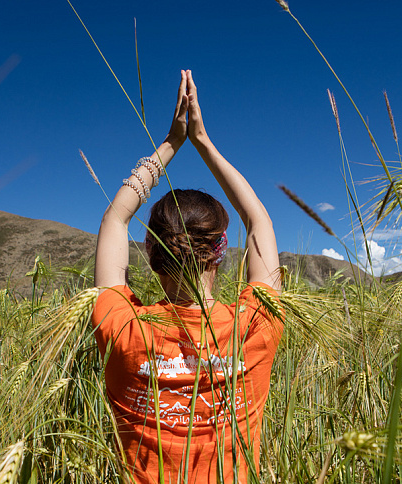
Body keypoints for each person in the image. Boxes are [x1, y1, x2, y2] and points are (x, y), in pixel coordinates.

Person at [91, 70, 283, 484]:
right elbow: (258, 221)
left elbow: (116, 218)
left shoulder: (123, 329)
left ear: (151, 254)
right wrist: (202, 141)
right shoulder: (256, 325)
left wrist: (171, 143)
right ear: (221, 251)